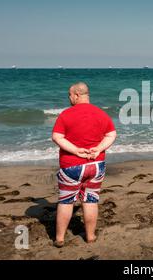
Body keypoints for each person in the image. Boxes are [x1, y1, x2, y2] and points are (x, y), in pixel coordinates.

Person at [51, 82, 117, 248]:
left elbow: (57, 137)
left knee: (66, 202)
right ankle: (90, 236)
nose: (69, 98)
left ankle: (59, 238)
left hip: (71, 166)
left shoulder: (66, 114)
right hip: (96, 165)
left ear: (77, 95)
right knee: (90, 200)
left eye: (70, 95)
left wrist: (76, 151)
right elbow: (111, 134)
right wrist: (98, 149)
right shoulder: (101, 113)